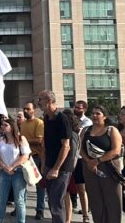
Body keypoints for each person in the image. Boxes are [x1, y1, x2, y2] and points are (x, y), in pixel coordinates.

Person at [36, 90, 74, 223]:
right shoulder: (46, 118)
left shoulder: (62, 119)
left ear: (50, 101)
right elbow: (46, 143)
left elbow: (66, 146)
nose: (38, 102)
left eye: (40, 99)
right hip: (49, 164)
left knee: (56, 202)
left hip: (62, 167)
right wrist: (44, 162)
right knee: (52, 201)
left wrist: (56, 168)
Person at [80, 106, 123, 223]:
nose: (94, 116)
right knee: (95, 198)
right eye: (93, 113)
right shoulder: (85, 130)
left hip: (108, 167)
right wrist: (89, 161)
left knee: (112, 198)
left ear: (104, 116)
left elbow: (116, 150)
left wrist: (98, 161)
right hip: (90, 168)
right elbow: (80, 149)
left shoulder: (111, 130)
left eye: (97, 113)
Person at [0, 117, 31, 223]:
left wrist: (13, 166)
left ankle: (21, 221)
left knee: (19, 201)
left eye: (5, 125)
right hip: (4, 172)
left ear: (12, 126)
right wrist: (4, 166)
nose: (2, 127)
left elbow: (25, 156)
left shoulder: (21, 139)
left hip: (18, 172)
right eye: (2, 125)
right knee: (1, 199)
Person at [21, 101, 46, 220]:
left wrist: (23, 140)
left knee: (40, 186)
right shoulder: (23, 123)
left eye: (28, 109)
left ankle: (40, 210)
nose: (25, 111)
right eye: (24, 109)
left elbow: (39, 140)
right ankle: (20, 207)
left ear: (33, 110)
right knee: (21, 184)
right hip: (24, 157)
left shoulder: (39, 123)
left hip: (36, 157)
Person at [71, 101, 92, 221]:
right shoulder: (71, 120)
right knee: (71, 186)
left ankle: (86, 214)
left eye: (79, 108)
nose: (77, 109)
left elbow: (79, 134)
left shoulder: (87, 122)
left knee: (82, 188)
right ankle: (73, 205)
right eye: (75, 107)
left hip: (80, 158)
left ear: (84, 109)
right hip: (72, 157)